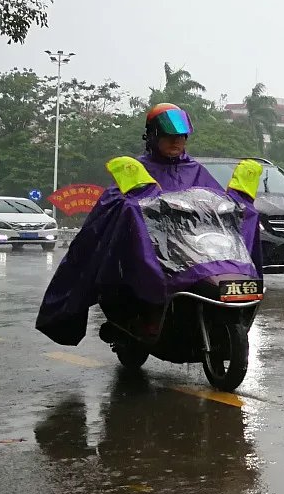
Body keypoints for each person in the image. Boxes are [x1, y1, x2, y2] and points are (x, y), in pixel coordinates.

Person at [36, 104, 262, 345]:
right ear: (152, 136)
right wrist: (131, 207)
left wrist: (237, 205)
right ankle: (145, 315)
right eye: (168, 136)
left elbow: (216, 203)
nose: (175, 141)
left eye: (181, 137)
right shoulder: (137, 170)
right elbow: (112, 206)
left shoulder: (195, 170)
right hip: (155, 252)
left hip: (196, 250)